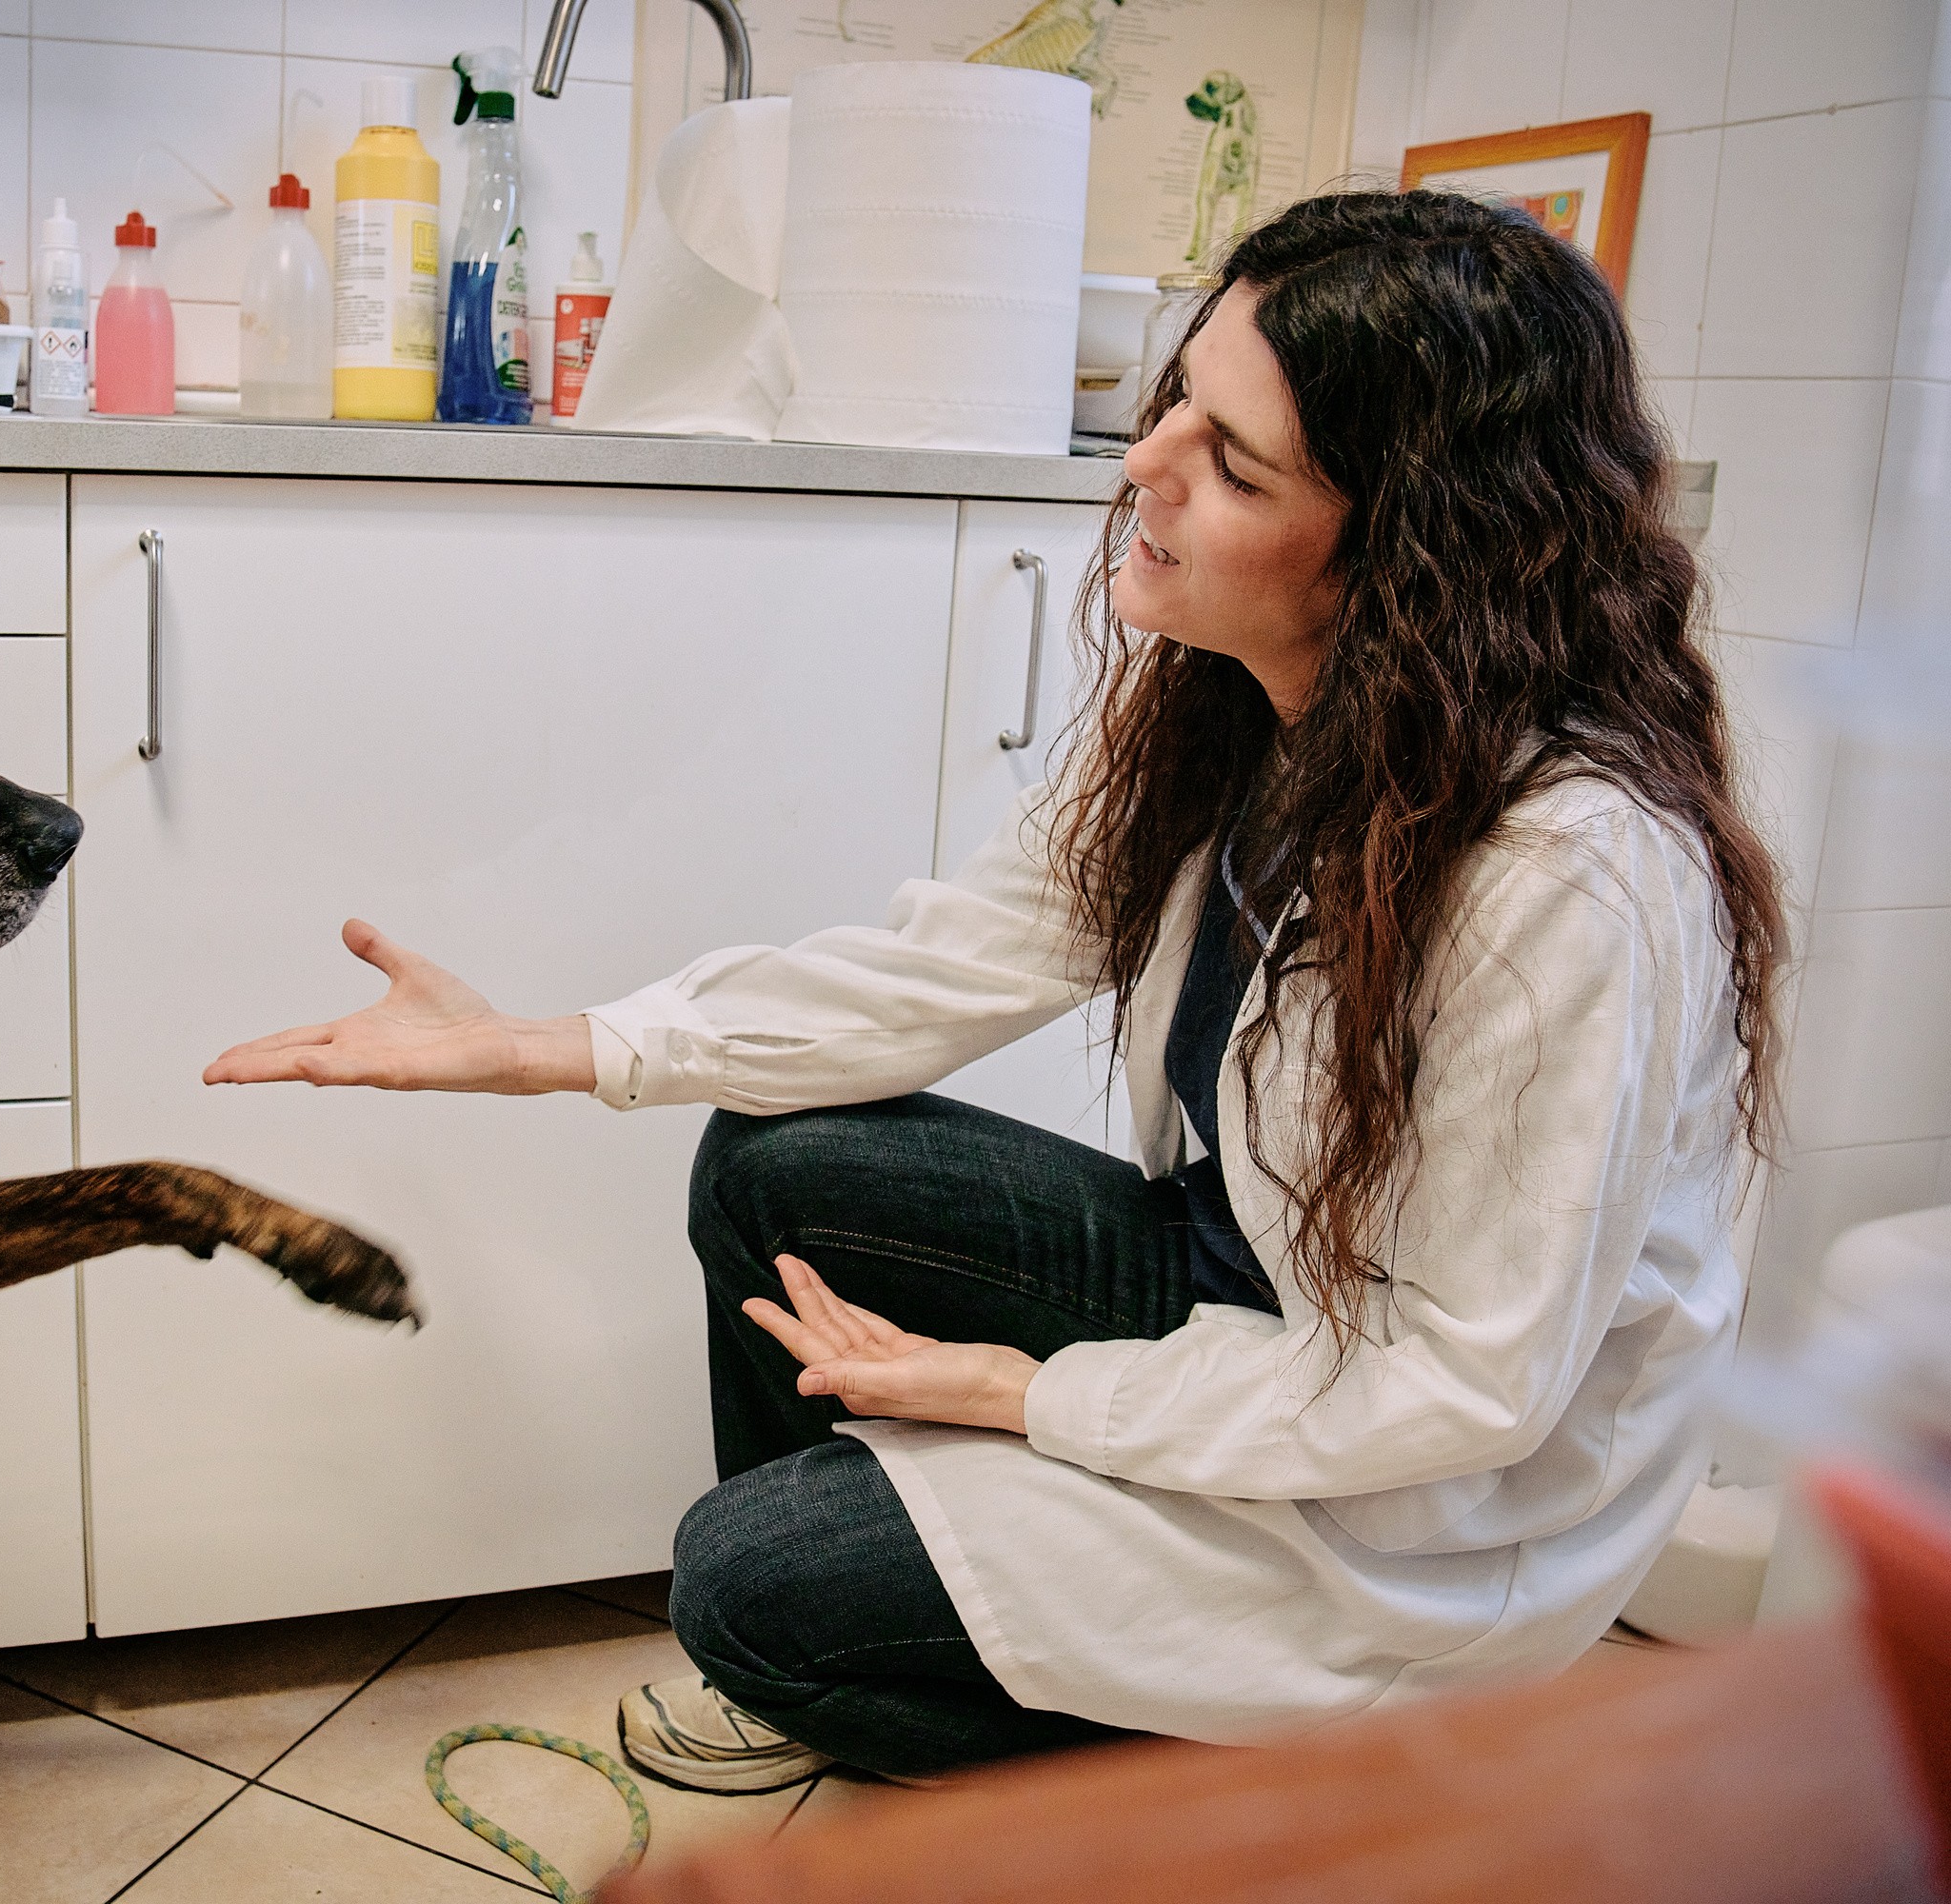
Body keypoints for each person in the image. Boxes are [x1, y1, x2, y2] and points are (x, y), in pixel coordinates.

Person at [205, 190, 1785, 1790]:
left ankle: (1165, 1779)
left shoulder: (1564, 880)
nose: (1143, 466)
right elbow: (955, 958)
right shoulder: (1252, 705)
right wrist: (544, 1046)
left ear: (1414, 550)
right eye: (1178, 398)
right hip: (1256, 1294)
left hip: (1425, 1497)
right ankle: (925, 1614)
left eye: (1233, 465)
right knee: (772, 1161)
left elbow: (1461, 1389)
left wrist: (1033, 1400)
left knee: (741, 1585)